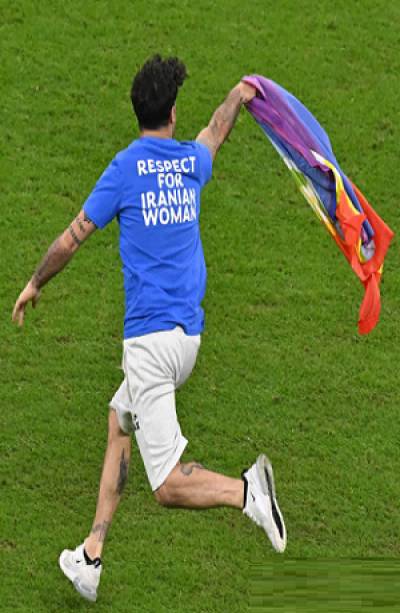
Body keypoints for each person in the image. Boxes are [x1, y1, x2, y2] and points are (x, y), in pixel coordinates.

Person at [12, 55, 287, 603]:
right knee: (119, 419)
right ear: (172, 113)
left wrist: (35, 283)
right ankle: (91, 555)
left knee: (167, 486)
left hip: (150, 345)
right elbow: (216, 131)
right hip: (187, 340)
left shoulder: (125, 168)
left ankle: (247, 492)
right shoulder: (188, 161)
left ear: (136, 112)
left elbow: (72, 237)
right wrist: (239, 94)